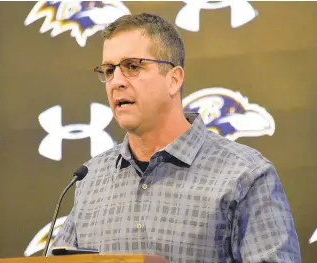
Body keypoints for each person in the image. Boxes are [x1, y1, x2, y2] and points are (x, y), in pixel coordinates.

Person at [50, 13, 301, 263]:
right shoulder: (90, 178)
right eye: (108, 70)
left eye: (132, 67)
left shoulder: (245, 175)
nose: (116, 82)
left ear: (174, 79)